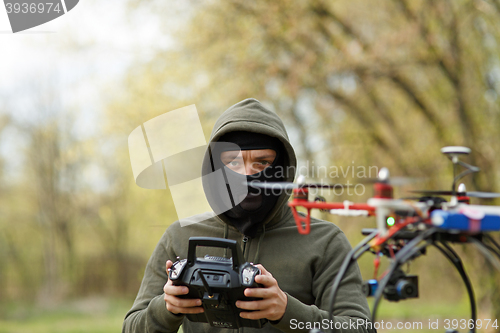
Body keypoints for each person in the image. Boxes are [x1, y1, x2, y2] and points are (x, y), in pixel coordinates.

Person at [122, 98, 374, 333]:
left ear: (282, 169)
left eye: (262, 163)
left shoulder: (324, 240)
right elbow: (131, 327)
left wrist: (288, 311)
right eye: (233, 162)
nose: (247, 175)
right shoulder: (180, 236)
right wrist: (167, 308)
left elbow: (360, 327)